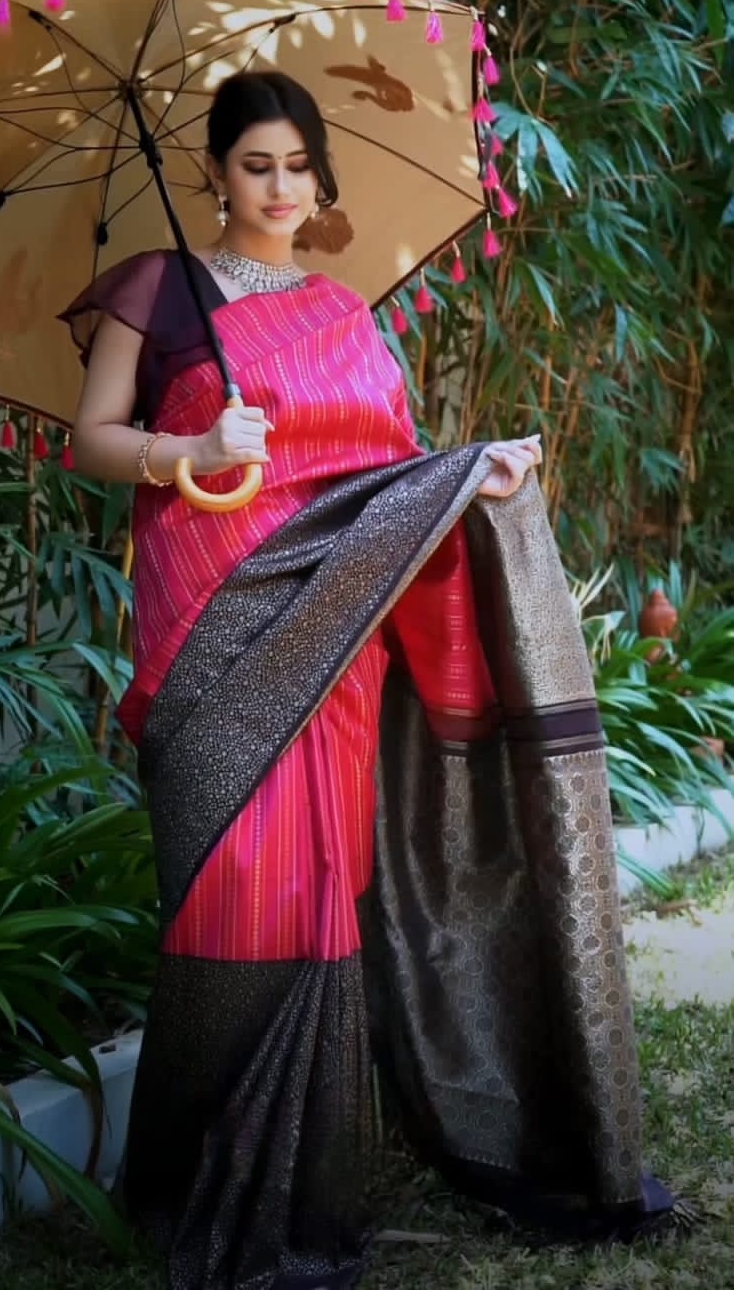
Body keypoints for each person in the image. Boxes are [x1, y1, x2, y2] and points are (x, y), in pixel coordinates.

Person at [60, 71, 685, 1290]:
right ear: (214, 172)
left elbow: (383, 488)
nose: (279, 187)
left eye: (297, 165)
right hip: (210, 630)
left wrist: (472, 478)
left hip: (334, 638)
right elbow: (91, 440)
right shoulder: (155, 290)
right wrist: (190, 447)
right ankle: (192, 1181)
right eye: (255, 164)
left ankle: (303, 1184)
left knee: (312, 891)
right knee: (231, 888)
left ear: (319, 176)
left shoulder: (343, 313)